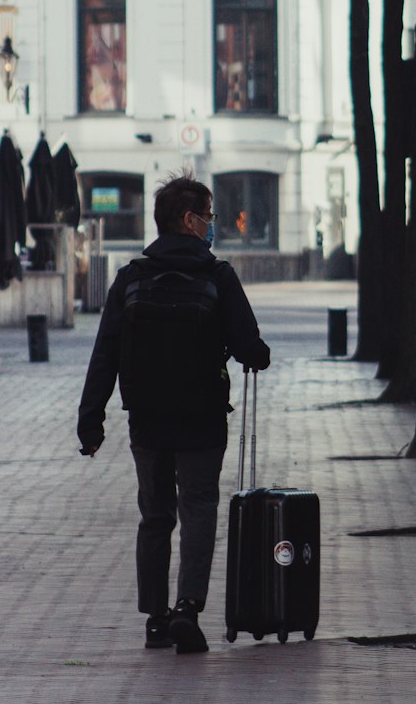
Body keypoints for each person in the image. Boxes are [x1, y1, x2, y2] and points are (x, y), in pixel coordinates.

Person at [77, 174, 271, 654]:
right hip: (203, 419)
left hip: (146, 418)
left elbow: (105, 353)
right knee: (198, 509)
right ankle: (188, 607)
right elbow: (250, 347)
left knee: (154, 515)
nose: (212, 225)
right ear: (190, 220)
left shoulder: (131, 277)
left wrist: (91, 418)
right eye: (209, 216)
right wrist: (257, 353)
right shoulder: (217, 276)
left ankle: (155, 618)